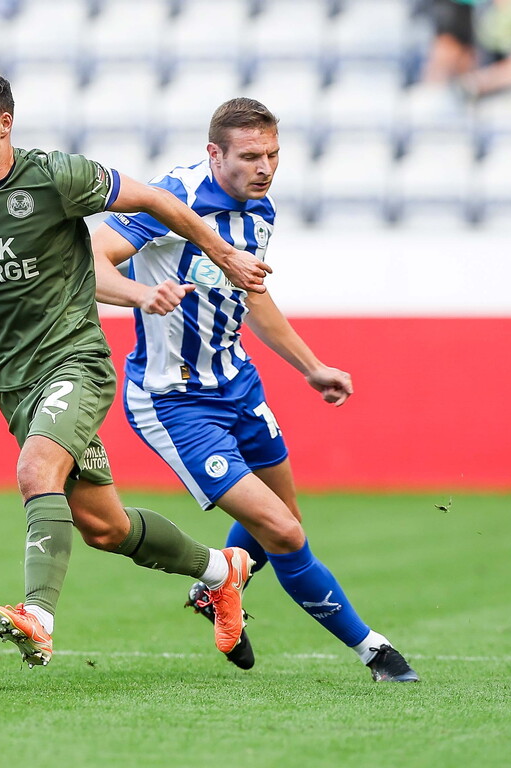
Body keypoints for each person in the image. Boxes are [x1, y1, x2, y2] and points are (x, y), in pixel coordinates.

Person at [0, 69, 273, 668]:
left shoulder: (56, 176)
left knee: (36, 471)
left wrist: (224, 253)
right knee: (103, 527)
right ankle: (223, 568)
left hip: (74, 360)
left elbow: (157, 200)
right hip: (11, 379)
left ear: (5, 124)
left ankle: (39, 616)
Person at [90, 97, 420, 682]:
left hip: (238, 383)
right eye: (249, 156)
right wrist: (143, 295)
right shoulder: (173, 200)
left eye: (272, 155)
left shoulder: (258, 207)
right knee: (287, 532)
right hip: (174, 399)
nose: (263, 167)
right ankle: (377, 653)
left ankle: (216, 587)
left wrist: (309, 365)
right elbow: (92, 264)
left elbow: (252, 292)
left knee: (283, 517)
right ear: (214, 153)